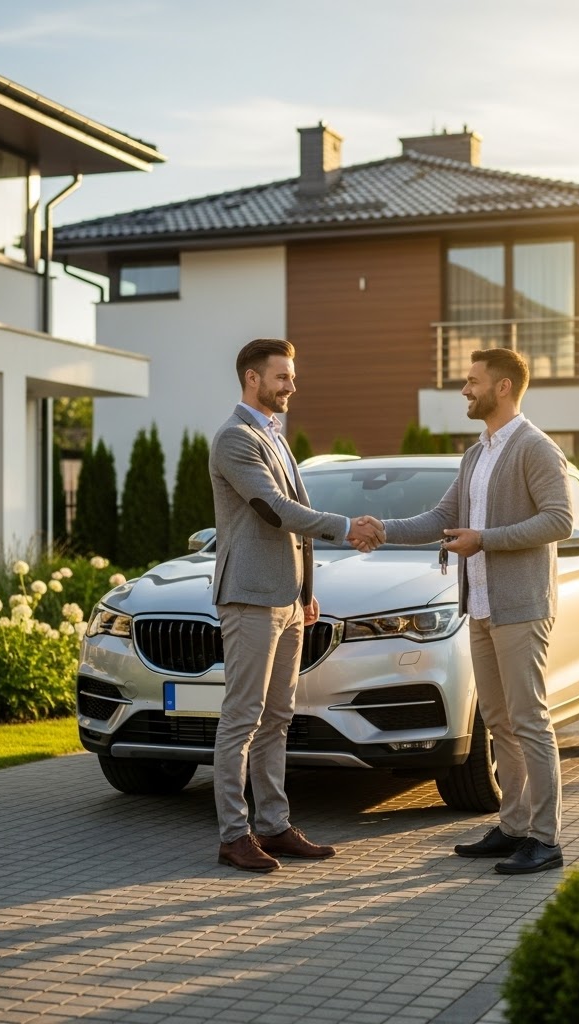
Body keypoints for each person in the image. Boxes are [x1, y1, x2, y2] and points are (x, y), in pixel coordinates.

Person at [382, 348, 573, 874]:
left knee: (530, 721)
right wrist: (381, 532)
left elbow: (559, 521)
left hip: (521, 607)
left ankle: (546, 838)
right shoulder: (476, 454)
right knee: (501, 724)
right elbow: (442, 517)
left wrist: (485, 539)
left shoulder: (535, 448)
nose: (465, 390)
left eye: (472, 381)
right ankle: (513, 827)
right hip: (482, 607)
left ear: (504, 387)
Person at [210, 337, 385, 872]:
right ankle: (233, 835)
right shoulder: (236, 440)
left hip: (287, 600)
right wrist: (345, 526)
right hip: (249, 596)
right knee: (242, 717)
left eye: (292, 376)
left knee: (278, 718)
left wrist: (307, 593)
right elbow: (274, 511)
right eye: (282, 376)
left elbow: (295, 529)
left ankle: (274, 826)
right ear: (252, 379)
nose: (292, 385)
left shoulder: (275, 437)